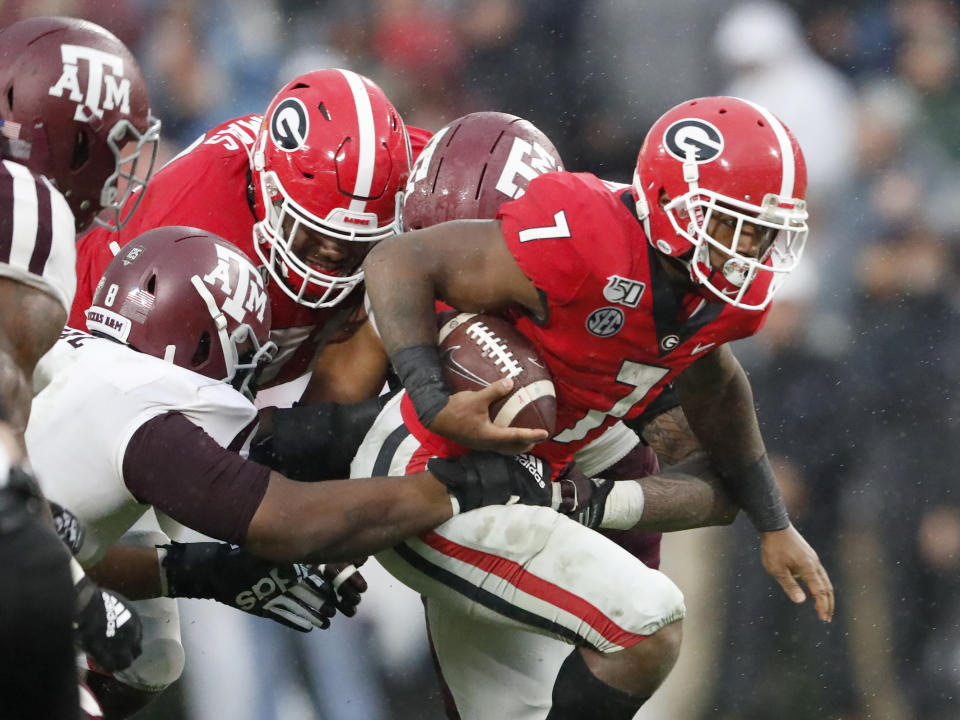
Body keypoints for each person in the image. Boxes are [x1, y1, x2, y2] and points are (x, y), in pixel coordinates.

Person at [358, 96, 835, 719]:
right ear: (670, 203)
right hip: (435, 473)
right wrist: (431, 395)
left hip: (525, 491)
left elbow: (719, 388)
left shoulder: (716, 300)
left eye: (764, 231)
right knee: (649, 621)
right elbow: (398, 260)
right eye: (733, 224)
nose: (750, 250)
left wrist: (774, 523)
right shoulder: (585, 235)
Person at [27, 224, 557, 718]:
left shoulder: (83, 365)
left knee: (147, 659)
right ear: (209, 339)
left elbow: (68, 549)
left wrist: (205, 572)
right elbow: (290, 520)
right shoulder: (140, 408)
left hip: (19, 560)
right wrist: (457, 487)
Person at [70, 67, 431, 403]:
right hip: (91, 346)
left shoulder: (386, 162)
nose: (334, 250)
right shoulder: (197, 235)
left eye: (355, 237)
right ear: (269, 192)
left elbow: (475, 167)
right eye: (313, 227)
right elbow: (155, 421)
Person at [0, 15, 160, 718]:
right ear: (71, 139)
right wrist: (72, 585)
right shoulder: (27, 213)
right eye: (117, 144)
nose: (127, 168)